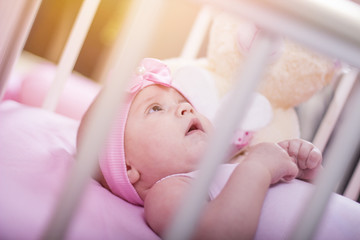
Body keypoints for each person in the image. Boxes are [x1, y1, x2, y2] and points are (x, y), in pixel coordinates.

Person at [78, 58, 323, 239]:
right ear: (128, 166)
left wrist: (303, 172)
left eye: (184, 102)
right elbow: (221, 234)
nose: (186, 109)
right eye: (155, 108)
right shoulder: (166, 191)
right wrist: (259, 167)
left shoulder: (230, 168)